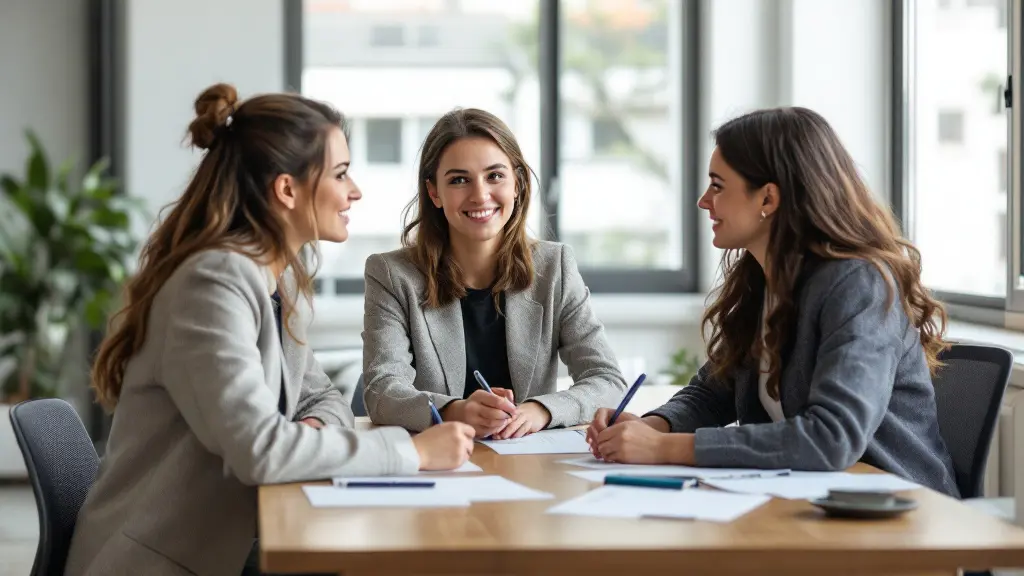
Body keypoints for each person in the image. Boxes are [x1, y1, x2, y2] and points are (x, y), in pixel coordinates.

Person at [64, 83, 475, 576]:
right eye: (341, 173)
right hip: (157, 561)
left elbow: (321, 398)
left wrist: (305, 436)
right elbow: (260, 452)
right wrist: (411, 452)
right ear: (287, 189)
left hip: (229, 545)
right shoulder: (212, 283)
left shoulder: (279, 277)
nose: (355, 191)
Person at [587, 107, 959, 497]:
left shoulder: (857, 284)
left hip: (894, 510)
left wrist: (666, 449)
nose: (703, 201)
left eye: (717, 186)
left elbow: (833, 437)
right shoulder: (764, 279)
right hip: (813, 499)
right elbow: (715, 390)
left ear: (768, 197)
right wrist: (655, 426)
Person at [361, 108, 627, 439]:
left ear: (517, 183)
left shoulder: (553, 266)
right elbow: (381, 392)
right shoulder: (391, 274)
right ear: (434, 193)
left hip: (527, 463)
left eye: (495, 176)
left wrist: (541, 410)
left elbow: (607, 379)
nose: (480, 195)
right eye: (459, 180)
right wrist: (454, 410)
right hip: (440, 463)